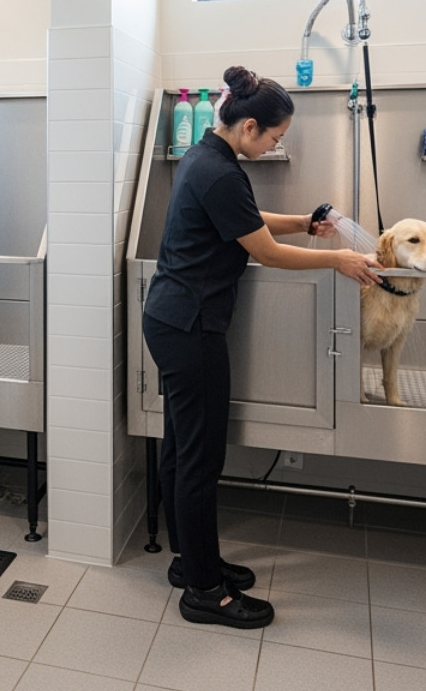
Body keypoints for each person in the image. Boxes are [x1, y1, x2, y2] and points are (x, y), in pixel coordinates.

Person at [143, 65, 381, 629]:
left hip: (172, 321)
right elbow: (264, 252)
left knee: (181, 450)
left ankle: (190, 560)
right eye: (275, 137)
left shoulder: (207, 158)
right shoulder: (220, 172)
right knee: (200, 459)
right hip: (191, 327)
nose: (276, 144)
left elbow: (244, 223)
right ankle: (205, 592)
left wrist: (303, 221)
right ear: (249, 126)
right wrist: (340, 259)